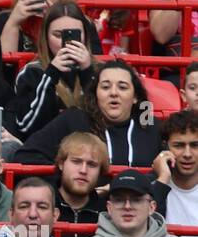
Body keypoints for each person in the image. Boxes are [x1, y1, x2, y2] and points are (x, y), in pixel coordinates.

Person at [14, 61, 161, 167]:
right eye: (105, 87)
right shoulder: (74, 119)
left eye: (122, 87)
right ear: (95, 93)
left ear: (135, 97)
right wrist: (65, 180)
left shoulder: (150, 127)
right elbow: (26, 156)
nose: (114, 93)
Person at [4, 2, 97, 144]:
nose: (66, 43)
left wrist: (87, 73)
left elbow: (107, 121)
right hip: (46, 152)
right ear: (46, 38)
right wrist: (50, 75)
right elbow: (27, 126)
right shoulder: (32, 72)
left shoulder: (100, 71)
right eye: (58, 35)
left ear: (86, 36)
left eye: (76, 34)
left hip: (91, 153)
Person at [0, 0, 102, 57]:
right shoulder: (6, 20)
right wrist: (13, 23)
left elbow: (94, 67)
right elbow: (5, 68)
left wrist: (59, 19)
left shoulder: (82, 23)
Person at [52, 132, 108, 237]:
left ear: (100, 171)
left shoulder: (108, 214)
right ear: (61, 164)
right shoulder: (42, 206)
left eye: (92, 165)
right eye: (76, 162)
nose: (83, 170)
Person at [155, 110, 198, 237]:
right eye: (179, 145)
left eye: (195, 145)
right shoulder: (153, 185)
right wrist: (162, 180)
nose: (187, 154)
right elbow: (142, 231)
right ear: (165, 147)